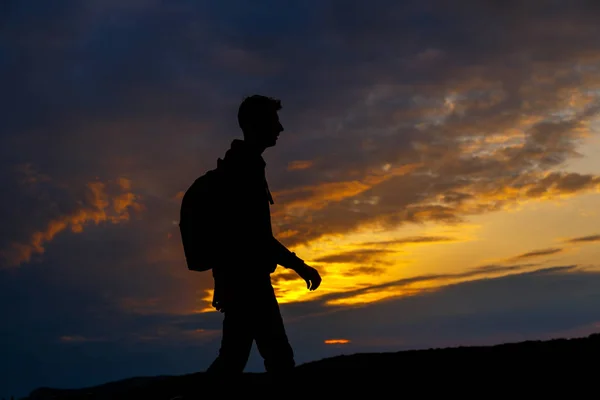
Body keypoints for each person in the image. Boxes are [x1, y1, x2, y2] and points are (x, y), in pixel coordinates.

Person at [205, 95, 322, 381]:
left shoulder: (242, 165)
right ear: (257, 124)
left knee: (234, 359)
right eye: (274, 121)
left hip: (240, 281)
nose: (280, 128)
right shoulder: (245, 170)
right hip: (249, 283)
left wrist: (222, 282)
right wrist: (299, 266)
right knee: (276, 359)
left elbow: (234, 234)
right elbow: (255, 236)